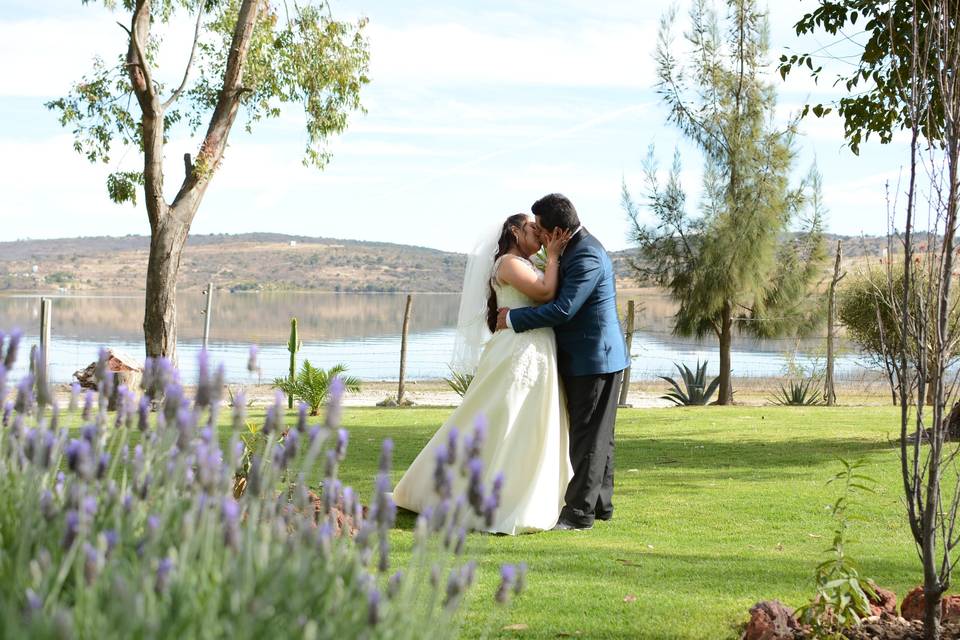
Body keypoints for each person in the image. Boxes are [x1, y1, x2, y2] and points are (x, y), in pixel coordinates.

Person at [391, 213, 573, 534]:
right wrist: (555, 256)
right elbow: (545, 293)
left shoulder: (532, 263)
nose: (538, 233)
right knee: (500, 417)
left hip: (537, 349)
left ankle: (529, 492)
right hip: (516, 353)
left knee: (530, 422)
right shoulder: (508, 263)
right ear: (515, 232)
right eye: (532, 228)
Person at [496, 193, 630, 531]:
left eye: (541, 228)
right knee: (599, 434)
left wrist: (513, 318)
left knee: (589, 435)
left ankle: (578, 514)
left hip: (595, 357)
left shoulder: (586, 255)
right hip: (591, 355)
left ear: (557, 230)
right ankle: (600, 504)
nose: (538, 235)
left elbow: (562, 309)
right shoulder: (571, 250)